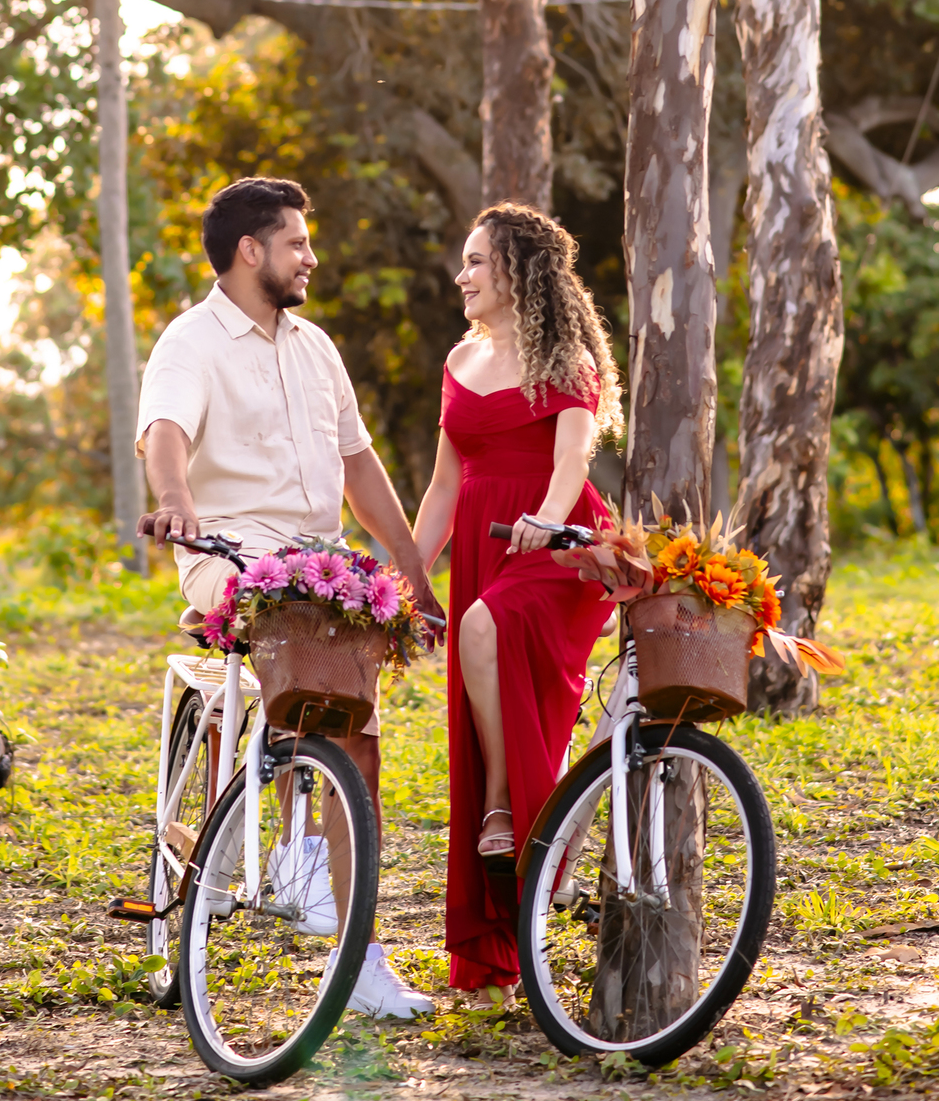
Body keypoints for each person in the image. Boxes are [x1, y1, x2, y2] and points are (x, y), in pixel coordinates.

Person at [135, 175, 442, 1020]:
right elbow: (165, 433)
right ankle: (298, 849)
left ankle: (360, 957)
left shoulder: (315, 347)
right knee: (311, 653)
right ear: (250, 251)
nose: (310, 255)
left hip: (320, 559)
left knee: (362, 743)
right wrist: (177, 504)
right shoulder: (191, 341)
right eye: (297, 242)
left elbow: (360, 469)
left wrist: (413, 571)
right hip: (227, 549)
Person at [412, 201, 622, 1004]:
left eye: (474, 261)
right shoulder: (460, 360)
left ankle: (506, 807)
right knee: (478, 651)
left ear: (516, 271)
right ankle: (503, 942)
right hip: (481, 538)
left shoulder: (563, 357)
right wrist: (404, 575)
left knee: (483, 625)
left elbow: (573, 457)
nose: (461, 276)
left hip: (554, 544)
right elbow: (441, 486)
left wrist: (545, 517)